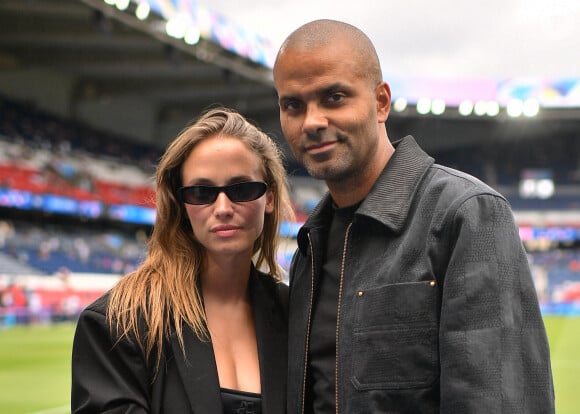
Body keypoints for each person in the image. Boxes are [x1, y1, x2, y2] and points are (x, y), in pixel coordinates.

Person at [273, 19, 555, 413]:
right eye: (293, 105)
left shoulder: (465, 215)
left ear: (381, 102)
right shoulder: (310, 245)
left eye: (334, 97)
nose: (313, 121)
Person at [71, 107, 294, 413]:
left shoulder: (293, 313)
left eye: (241, 188)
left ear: (268, 197)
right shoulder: (121, 323)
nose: (224, 208)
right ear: (181, 205)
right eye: (202, 192)